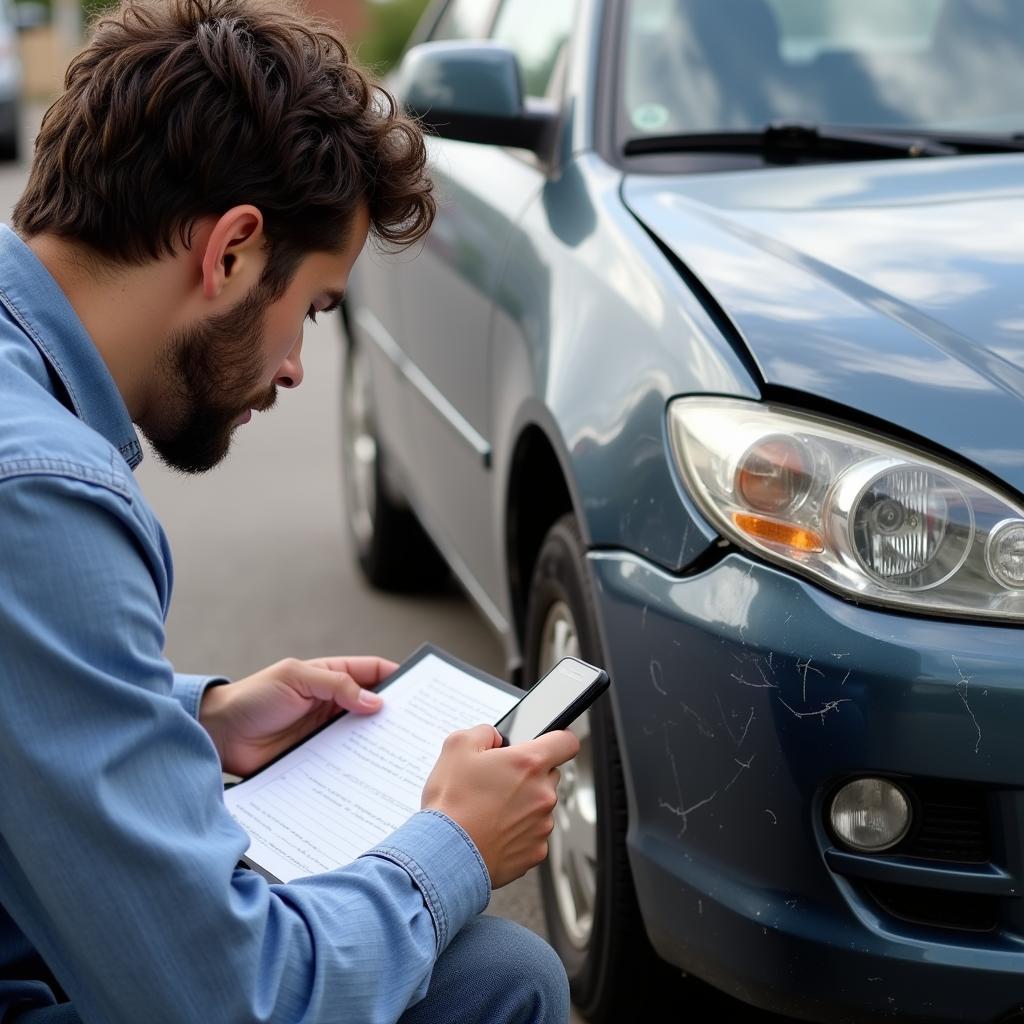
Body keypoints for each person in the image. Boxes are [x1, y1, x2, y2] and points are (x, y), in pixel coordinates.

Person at [0, 1, 581, 1021]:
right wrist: (450, 847)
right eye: (311, 308)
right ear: (229, 252)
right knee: (500, 977)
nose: (298, 371)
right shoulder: (44, 493)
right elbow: (224, 998)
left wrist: (197, 716)